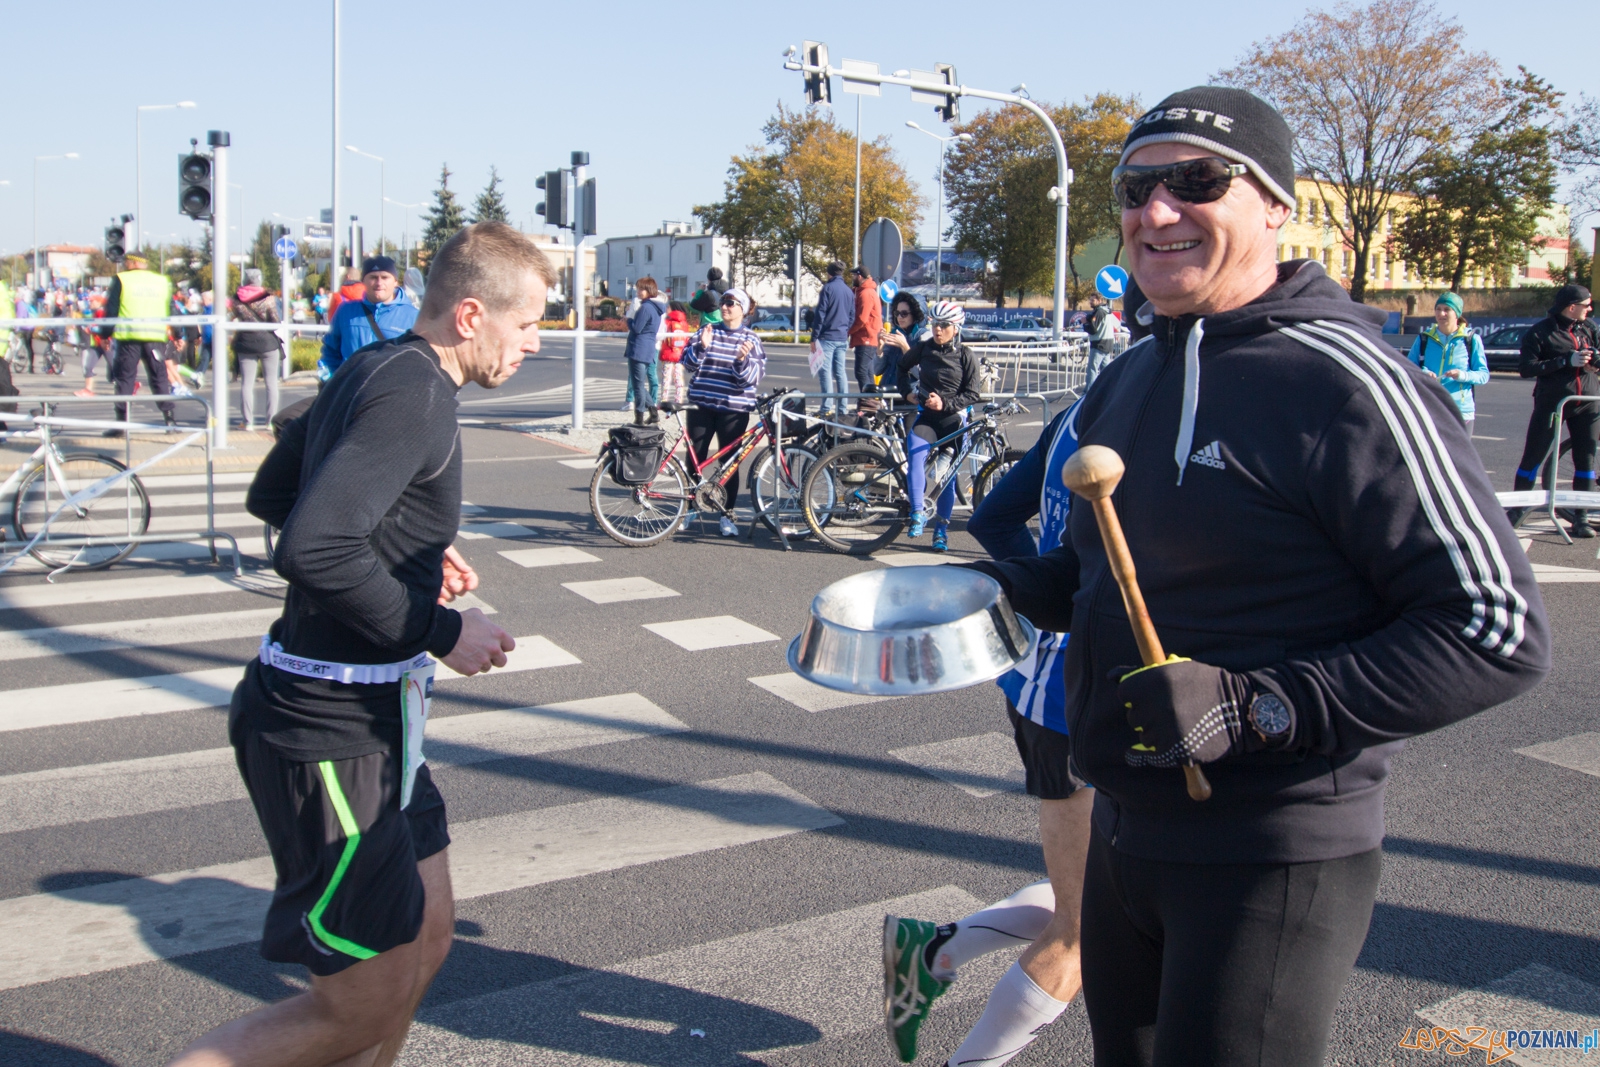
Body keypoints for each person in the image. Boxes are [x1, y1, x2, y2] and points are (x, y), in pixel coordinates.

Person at [963, 86, 1548, 1067]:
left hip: (1272, 853)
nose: (1155, 212)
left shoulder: (1344, 380)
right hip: (1123, 831)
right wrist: (1022, 587)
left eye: (1196, 180)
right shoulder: (1131, 373)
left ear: (1275, 205)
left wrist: (1255, 707)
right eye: (1137, 185)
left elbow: (1494, 627)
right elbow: (1114, 567)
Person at [167, 223, 551, 1067]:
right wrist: (445, 629)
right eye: (527, 327)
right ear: (471, 314)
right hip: (329, 725)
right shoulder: (414, 393)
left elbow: (281, 490)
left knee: (431, 935)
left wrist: (404, 547)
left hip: (382, 717)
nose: (535, 344)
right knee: (356, 1006)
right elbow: (311, 546)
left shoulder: (376, 366)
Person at [886, 397, 1093, 1067]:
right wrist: (1066, 593)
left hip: (1052, 672)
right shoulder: (1164, 409)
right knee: (1085, 929)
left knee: (1107, 889)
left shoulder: (1086, 405)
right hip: (1075, 692)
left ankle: (933, 947)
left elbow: (999, 515)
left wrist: (1042, 584)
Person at [1511, 283, 1600, 537]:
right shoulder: (1540, 332)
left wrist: (1594, 362)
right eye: (1586, 305)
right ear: (1572, 307)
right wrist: (1565, 361)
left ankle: (1581, 517)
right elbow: (1527, 368)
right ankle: (1517, 509)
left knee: (1585, 461)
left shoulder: (1589, 328)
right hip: (1553, 404)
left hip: (1587, 402)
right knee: (1533, 457)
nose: (1590, 309)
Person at [896, 300, 982, 551]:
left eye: (944, 325)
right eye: (935, 324)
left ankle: (941, 532)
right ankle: (917, 514)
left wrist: (944, 403)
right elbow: (902, 368)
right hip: (927, 419)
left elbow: (973, 394)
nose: (938, 330)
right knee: (915, 458)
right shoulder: (924, 348)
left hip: (952, 421)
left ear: (956, 328)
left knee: (946, 478)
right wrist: (907, 393)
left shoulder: (966, 355)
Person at [681, 287, 767, 538]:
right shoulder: (706, 332)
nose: (725, 307)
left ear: (743, 308)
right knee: (694, 458)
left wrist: (741, 361)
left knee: (729, 464)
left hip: (733, 409)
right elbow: (687, 363)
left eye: (731, 303)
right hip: (701, 405)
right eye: (723, 302)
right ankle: (690, 508)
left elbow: (751, 380)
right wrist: (701, 348)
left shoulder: (751, 339)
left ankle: (726, 514)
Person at [98, 254, 177, 435]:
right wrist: (179, 333)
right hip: (154, 337)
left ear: (133, 262)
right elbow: (172, 308)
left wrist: (105, 334)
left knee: (125, 380)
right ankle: (170, 420)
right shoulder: (162, 281)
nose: (124, 264)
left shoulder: (122, 279)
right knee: (159, 378)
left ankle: (122, 425)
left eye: (126, 261)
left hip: (129, 338)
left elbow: (112, 309)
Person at [1406, 292, 1488, 451]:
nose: (1441, 314)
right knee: (1429, 456)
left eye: (1447, 309)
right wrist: (1423, 373)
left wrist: (1462, 375)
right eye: (1438, 309)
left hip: (1461, 411)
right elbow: (1408, 368)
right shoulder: (1424, 339)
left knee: (1460, 460)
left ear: (1457, 313)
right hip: (1429, 407)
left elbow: (1483, 375)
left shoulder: (1470, 340)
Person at [318, 257, 419, 381]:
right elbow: (330, 351)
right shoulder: (345, 311)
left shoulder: (413, 317)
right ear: (363, 281)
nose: (379, 283)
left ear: (395, 281)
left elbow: (419, 362)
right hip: (351, 394)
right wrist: (331, 381)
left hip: (391, 395)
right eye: (373, 277)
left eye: (385, 277)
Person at [233, 268, 285, 430]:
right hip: (267, 343)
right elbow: (276, 321)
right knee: (271, 383)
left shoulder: (237, 298)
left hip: (246, 342)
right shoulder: (268, 299)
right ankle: (270, 422)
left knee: (246, 384)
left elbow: (234, 317)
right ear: (259, 280)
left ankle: (247, 422)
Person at [809, 260, 853, 415]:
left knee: (825, 372)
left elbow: (820, 315)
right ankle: (842, 409)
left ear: (829, 273)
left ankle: (826, 408)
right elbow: (852, 316)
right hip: (842, 337)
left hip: (827, 337)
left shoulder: (827, 289)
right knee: (840, 372)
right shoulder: (849, 291)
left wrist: (814, 337)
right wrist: (845, 331)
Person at [624, 276, 664, 425]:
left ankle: (639, 418)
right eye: (638, 289)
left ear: (649, 290)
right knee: (639, 383)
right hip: (647, 348)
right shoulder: (656, 308)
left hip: (638, 348)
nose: (639, 292)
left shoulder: (645, 308)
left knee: (638, 385)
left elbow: (636, 328)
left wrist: (628, 319)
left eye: (642, 289)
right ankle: (653, 413)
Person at [849, 266, 883, 407]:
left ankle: (868, 404)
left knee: (861, 371)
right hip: (867, 337)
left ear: (860, 276)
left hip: (866, 338)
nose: (852, 279)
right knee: (868, 372)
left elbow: (862, 318)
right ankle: (872, 402)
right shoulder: (865, 291)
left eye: (854, 276)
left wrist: (849, 331)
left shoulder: (866, 293)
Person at [1084, 294, 1120, 389]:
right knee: (1105, 371)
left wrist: (1085, 324)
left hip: (1099, 344)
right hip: (1107, 344)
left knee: (1092, 370)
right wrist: (1089, 318)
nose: (1090, 302)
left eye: (1093, 300)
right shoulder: (1106, 310)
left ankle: (1088, 393)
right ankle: (1107, 391)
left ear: (1099, 300)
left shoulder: (1099, 312)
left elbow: (1093, 329)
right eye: (1090, 300)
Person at [659, 299, 690, 407]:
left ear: (672, 309)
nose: (666, 309)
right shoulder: (684, 323)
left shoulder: (667, 322)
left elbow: (661, 335)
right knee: (678, 378)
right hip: (680, 354)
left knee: (666, 378)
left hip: (668, 353)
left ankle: (664, 400)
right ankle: (678, 399)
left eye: (668, 307)